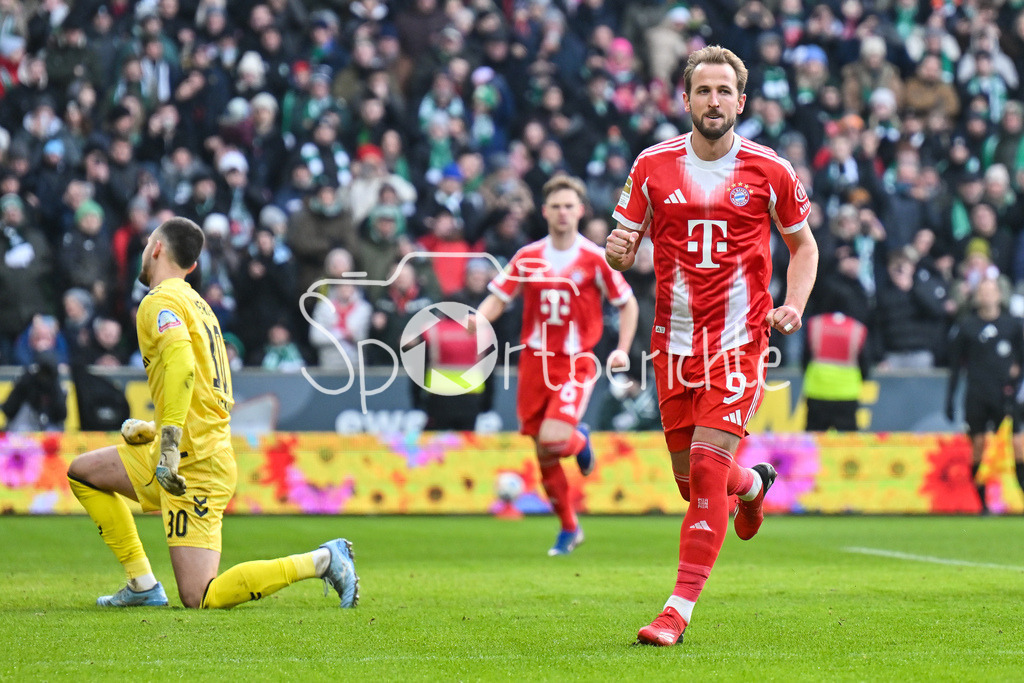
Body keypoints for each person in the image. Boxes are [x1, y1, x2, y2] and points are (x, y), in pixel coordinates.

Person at [606, 46, 818, 646]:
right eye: (703, 91)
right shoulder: (651, 166)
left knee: (704, 469)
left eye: (725, 91)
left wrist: (794, 305)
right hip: (671, 347)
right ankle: (751, 487)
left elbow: (805, 247)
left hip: (739, 344)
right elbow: (620, 242)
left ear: (741, 102)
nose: (714, 101)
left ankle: (675, 612)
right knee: (694, 484)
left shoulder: (770, 170)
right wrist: (616, 252)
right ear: (686, 99)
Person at [65, 217, 358, 609]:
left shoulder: (160, 302)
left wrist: (167, 443)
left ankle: (322, 560)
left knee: (200, 596)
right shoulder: (199, 305)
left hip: (193, 463)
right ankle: (141, 584)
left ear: (157, 249)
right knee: (84, 473)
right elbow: (203, 389)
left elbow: (183, 368)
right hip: (177, 452)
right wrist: (156, 429)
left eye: (147, 242)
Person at [472, 174, 639, 556]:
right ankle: (568, 528)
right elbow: (499, 297)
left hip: (575, 362)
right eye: (556, 206)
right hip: (533, 362)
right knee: (544, 451)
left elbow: (627, 303)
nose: (563, 212)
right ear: (545, 211)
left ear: (580, 211)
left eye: (569, 206)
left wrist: (622, 349)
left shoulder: (596, 258)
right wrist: (480, 319)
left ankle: (579, 439)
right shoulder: (528, 256)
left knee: (554, 438)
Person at [945, 277, 1024, 514]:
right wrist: (949, 400)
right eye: (982, 291)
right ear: (977, 297)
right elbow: (955, 366)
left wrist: (1016, 381)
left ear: (999, 295)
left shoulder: (1014, 325)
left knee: (1018, 445)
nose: (987, 296)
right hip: (978, 394)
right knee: (978, 446)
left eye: (991, 291)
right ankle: (982, 503)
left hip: (1006, 395)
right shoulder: (967, 326)